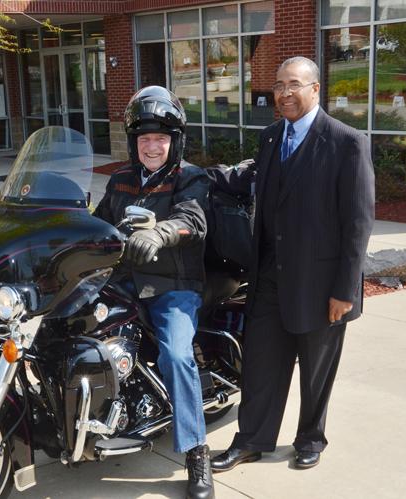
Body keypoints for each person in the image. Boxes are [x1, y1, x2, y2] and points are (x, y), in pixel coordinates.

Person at [210, 56, 375, 472]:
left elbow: (358, 223)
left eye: (294, 84)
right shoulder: (269, 139)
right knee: (261, 365)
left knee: (316, 371)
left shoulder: (346, 142)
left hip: (321, 285)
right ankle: (251, 440)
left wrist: (345, 290)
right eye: (279, 85)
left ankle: (310, 439)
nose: (284, 93)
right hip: (268, 278)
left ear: (316, 89)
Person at [93, 86, 215, 499]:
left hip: (172, 285)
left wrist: (162, 232)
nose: (152, 146)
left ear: (174, 141)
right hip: (123, 280)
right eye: (144, 138)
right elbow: (98, 222)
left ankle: (197, 451)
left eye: (160, 138)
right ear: (134, 142)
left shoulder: (190, 177)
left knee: (177, 355)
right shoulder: (122, 179)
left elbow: (191, 220)